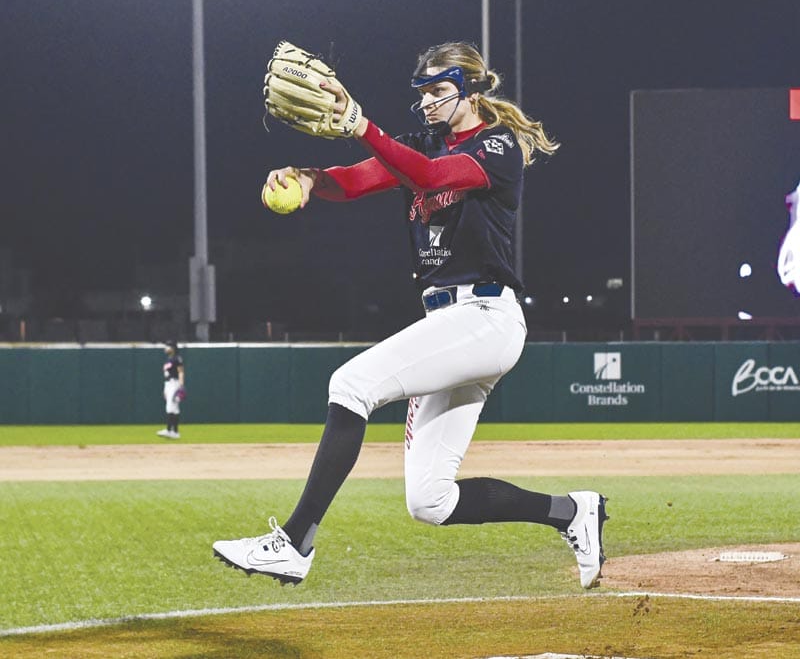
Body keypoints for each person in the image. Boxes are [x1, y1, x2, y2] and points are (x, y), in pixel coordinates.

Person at [213, 42, 608, 589]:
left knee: (350, 384)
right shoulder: (418, 143)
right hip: (450, 323)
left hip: (484, 317)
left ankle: (295, 543)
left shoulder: (497, 145)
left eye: (440, 90)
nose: (427, 101)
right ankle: (573, 512)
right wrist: (309, 177)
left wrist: (361, 124)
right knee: (431, 501)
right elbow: (357, 180)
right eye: (422, 91)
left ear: (470, 90)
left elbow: (432, 176)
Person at [156, 340, 185, 440]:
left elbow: (181, 372)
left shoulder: (177, 358)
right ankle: (175, 432)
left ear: (172, 348)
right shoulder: (168, 360)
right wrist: (165, 389)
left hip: (174, 383)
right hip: (168, 384)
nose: (165, 348)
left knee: (170, 407)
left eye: (167, 346)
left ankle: (169, 430)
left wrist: (181, 386)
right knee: (175, 409)